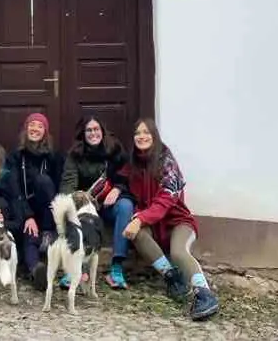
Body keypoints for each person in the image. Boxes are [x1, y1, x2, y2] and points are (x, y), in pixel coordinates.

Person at [118, 118, 219, 321]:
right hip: (153, 224)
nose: (141, 136)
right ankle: (172, 278)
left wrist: (140, 218)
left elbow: (165, 201)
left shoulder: (166, 162)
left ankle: (204, 295)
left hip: (177, 222)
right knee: (137, 234)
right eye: (137, 133)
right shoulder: (133, 162)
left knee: (178, 252)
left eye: (146, 132)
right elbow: (118, 179)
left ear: (154, 136)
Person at [59, 115, 131, 289]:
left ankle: (116, 268)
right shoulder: (75, 155)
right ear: (83, 134)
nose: (93, 133)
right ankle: (79, 268)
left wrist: (118, 188)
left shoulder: (115, 150)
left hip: (108, 204)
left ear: (102, 131)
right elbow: (68, 185)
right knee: (78, 214)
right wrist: (81, 200)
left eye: (96, 129)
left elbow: (127, 175)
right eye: (89, 130)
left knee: (126, 206)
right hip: (85, 205)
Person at [7, 112, 63, 290]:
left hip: (48, 213)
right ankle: (36, 270)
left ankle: (47, 232)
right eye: (32, 125)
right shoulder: (16, 157)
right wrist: (28, 216)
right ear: (26, 129)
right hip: (26, 209)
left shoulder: (54, 157)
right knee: (30, 234)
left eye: (40, 126)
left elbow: (60, 189)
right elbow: (15, 189)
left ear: (45, 131)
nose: (35, 129)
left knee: (43, 181)